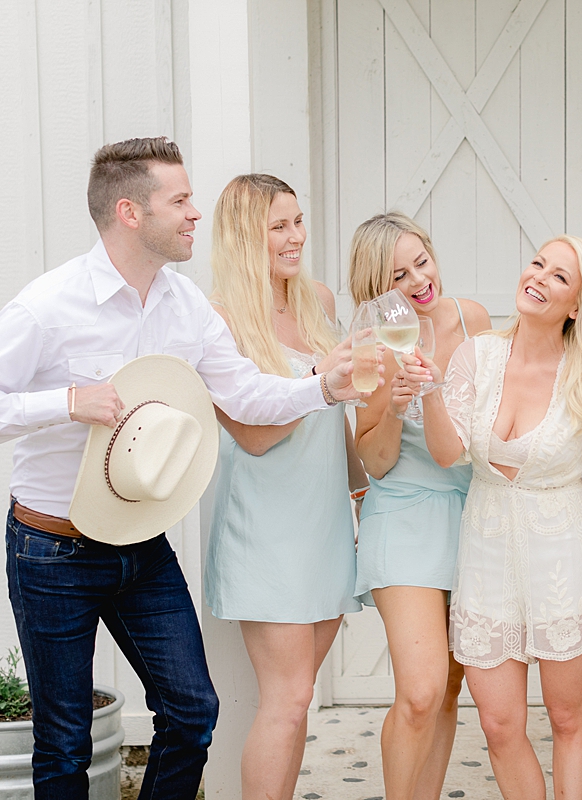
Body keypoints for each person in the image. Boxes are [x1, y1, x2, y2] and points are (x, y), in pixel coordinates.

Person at [0, 137, 369, 797]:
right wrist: (67, 402)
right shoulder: (49, 306)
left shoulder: (185, 305)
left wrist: (323, 384)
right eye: (180, 200)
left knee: (193, 710)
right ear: (131, 213)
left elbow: (247, 396)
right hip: (52, 550)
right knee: (65, 743)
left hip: (142, 544)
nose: (197, 212)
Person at [403, 235, 582, 800]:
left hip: (565, 553)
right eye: (537, 264)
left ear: (578, 304)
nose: (539, 278)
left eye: (560, 276)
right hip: (485, 550)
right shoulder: (475, 355)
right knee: (500, 724)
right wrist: (431, 391)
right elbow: (445, 453)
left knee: (567, 718)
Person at [203, 174, 364, 799]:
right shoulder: (218, 320)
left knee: (299, 701)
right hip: (267, 532)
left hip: (323, 526)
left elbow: (335, 417)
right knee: (288, 698)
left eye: (297, 221)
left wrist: (361, 493)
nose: (295, 236)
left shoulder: (317, 300)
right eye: (279, 226)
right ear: (247, 236)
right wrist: (322, 376)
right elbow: (254, 437)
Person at [347, 212, 490, 800]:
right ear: (377, 289)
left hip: (474, 516)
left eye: (420, 263)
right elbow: (374, 462)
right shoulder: (372, 350)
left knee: (451, 688)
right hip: (403, 515)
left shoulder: (472, 319)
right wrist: (397, 402)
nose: (417, 282)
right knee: (421, 689)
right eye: (398, 276)